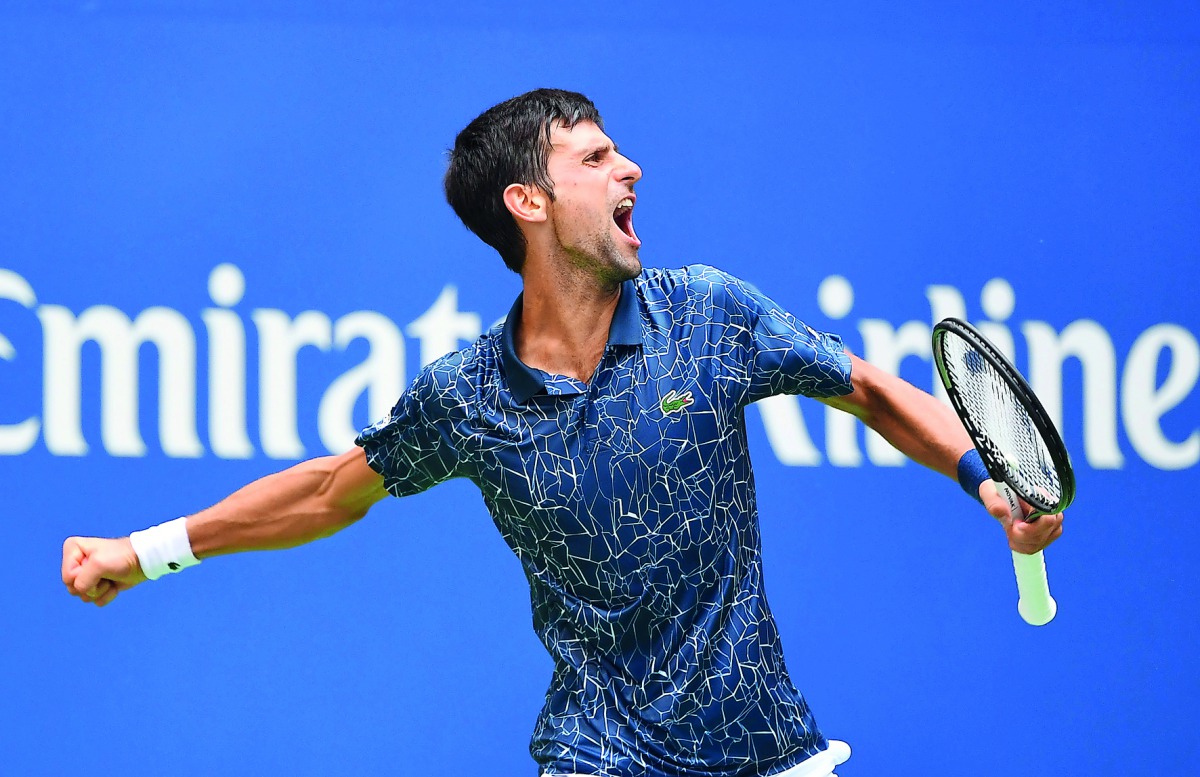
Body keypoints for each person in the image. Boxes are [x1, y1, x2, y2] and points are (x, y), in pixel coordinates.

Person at [61, 88, 1063, 777]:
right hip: (599, 755)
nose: (631, 166)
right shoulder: (467, 395)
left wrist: (983, 476)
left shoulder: (710, 314)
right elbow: (329, 492)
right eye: (596, 157)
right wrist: (143, 554)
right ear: (527, 202)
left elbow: (871, 391)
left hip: (772, 752)